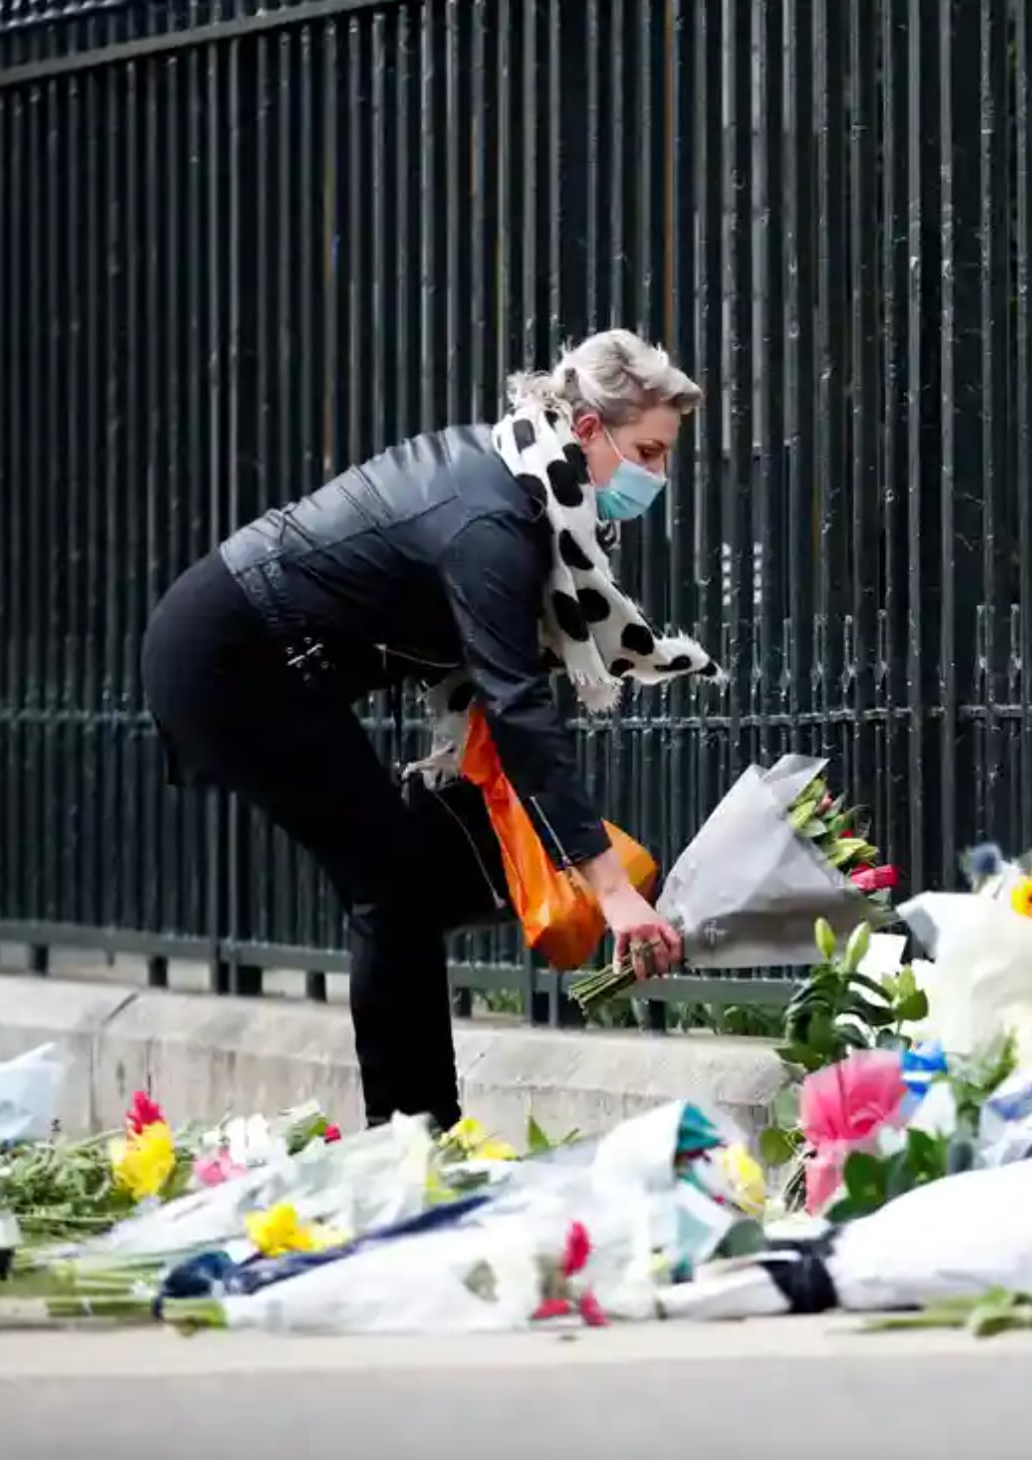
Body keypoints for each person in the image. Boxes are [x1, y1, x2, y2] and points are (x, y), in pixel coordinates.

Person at [141, 329, 709, 1131]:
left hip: (265, 661)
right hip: (231, 664)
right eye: (648, 452)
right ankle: (412, 1141)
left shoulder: (513, 480)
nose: (657, 476)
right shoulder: (492, 522)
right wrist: (611, 890)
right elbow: (516, 706)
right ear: (588, 432)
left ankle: (417, 1137)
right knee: (391, 889)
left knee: (410, 878)